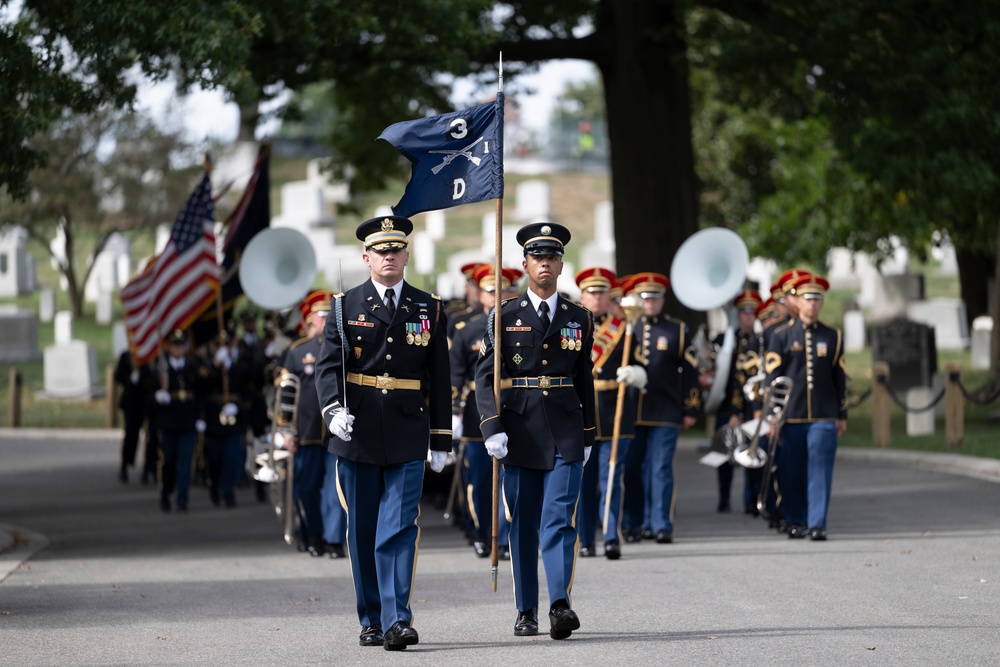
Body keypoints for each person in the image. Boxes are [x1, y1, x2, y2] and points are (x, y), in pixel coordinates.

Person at [314, 215, 451, 651]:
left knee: (398, 526)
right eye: (381, 251)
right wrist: (333, 409)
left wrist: (441, 437)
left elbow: (440, 376)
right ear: (366, 257)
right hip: (358, 432)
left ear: (406, 256)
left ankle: (397, 620)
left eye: (397, 250)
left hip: (409, 427)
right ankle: (371, 617)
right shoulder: (344, 305)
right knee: (363, 530)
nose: (389, 257)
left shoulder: (428, 307)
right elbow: (329, 367)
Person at [474, 222, 595, 641]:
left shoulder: (579, 317)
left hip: (565, 428)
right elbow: (485, 377)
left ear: (561, 264)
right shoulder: (503, 316)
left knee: (559, 519)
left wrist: (590, 433)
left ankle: (560, 603)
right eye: (537, 258)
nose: (545, 264)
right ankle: (526, 609)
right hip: (520, 428)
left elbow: (585, 378)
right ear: (524, 264)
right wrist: (491, 426)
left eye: (552, 257)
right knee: (523, 524)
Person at [764, 274, 847, 541]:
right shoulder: (781, 336)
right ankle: (795, 518)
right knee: (791, 470)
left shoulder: (832, 335)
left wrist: (841, 414)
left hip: (824, 414)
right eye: (807, 299)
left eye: (817, 299)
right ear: (797, 302)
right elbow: (772, 380)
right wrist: (771, 415)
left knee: (820, 468)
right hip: (791, 416)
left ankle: (817, 523)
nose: (812, 304)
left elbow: (839, 379)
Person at [619, 272, 700, 545]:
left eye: (655, 298)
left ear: (662, 300)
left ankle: (661, 523)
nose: (650, 302)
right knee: (631, 468)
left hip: (666, 411)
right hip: (631, 411)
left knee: (660, 468)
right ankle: (633, 523)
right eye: (645, 297)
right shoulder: (626, 327)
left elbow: (690, 371)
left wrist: (690, 408)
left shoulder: (677, 329)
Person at [574, 267, 645, 560]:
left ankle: (612, 536)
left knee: (612, 477)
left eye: (602, 292)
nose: (597, 297)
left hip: (614, 411)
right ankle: (586, 539)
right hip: (581, 414)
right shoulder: (571, 326)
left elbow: (641, 363)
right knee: (583, 482)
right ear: (582, 295)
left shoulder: (624, 328)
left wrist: (636, 373)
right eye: (592, 292)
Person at [449, 264, 519, 559]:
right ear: (482, 294)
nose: (496, 295)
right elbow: (454, 374)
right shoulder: (467, 329)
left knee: (510, 478)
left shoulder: (519, 323)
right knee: (478, 479)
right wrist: (452, 412)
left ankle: (503, 538)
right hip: (476, 411)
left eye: (503, 290)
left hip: (514, 408)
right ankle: (481, 531)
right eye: (491, 290)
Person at [279, 290, 346, 558]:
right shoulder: (297, 352)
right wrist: (285, 429)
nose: (326, 320)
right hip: (305, 432)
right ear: (310, 319)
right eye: (321, 315)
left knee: (335, 489)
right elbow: (285, 395)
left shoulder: (345, 347)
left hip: (336, 433)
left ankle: (332, 539)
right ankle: (311, 534)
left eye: (330, 315)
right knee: (306, 488)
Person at [705, 289, 763, 514]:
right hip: (725, 405)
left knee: (752, 453)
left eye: (752, 312)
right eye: (744, 312)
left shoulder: (762, 341)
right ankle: (724, 497)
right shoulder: (722, 340)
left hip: (751, 407)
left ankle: (752, 499)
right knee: (724, 453)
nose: (748, 317)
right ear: (737, 315)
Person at [199, 327, 255, 508]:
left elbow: (249, 390)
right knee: (214, 459)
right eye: (219, 345)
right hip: (214, 420)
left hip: (234, 421)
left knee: (232, 458)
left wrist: (237, 407)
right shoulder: (208, 365)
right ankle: (214, 486)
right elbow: (202, 387)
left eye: (228, 344)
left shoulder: (241, 365)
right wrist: (216, 365)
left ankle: (228, 492)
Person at [153, 329, 205, 513]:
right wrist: (158, 396)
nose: (178, 349)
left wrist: (200, 417)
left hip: (188, 422)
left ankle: (182, 499)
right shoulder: (161, 368)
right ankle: (166, 493)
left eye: (181, 345)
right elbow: (149, 392)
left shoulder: (192, 367)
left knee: (185, 464)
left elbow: (200, 394)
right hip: (169, 423)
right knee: (169, 462)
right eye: (175, 345)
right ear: (169, 347)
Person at [114, 349, 153, 483]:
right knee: (131, 434)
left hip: (148, 403)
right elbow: (118, 376)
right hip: (131, 403)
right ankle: (125, 465)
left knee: (151, 437)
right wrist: (129, 378)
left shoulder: (151, 355)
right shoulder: (126, 357)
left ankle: (149, 469)